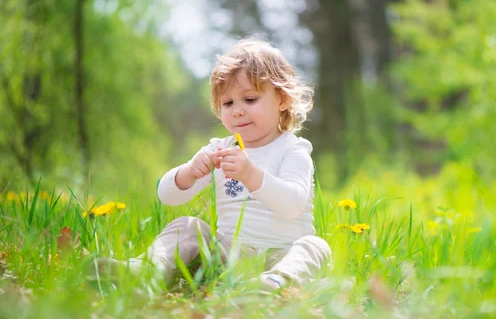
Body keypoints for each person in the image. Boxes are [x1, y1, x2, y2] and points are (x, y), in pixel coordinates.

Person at [90, 38, 331, 291]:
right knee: (188, 226)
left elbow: (292, 205)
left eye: (249, 99)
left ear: (282, 99)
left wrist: (251, 175)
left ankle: (274, 284)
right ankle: (148, 270)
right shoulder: (220, 149)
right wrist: (189, 172)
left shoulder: (293, 149)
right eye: (228, 103)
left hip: (279, 255)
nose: (237, 111)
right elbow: (167, 196)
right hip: (226, 258)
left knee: (315, 246)